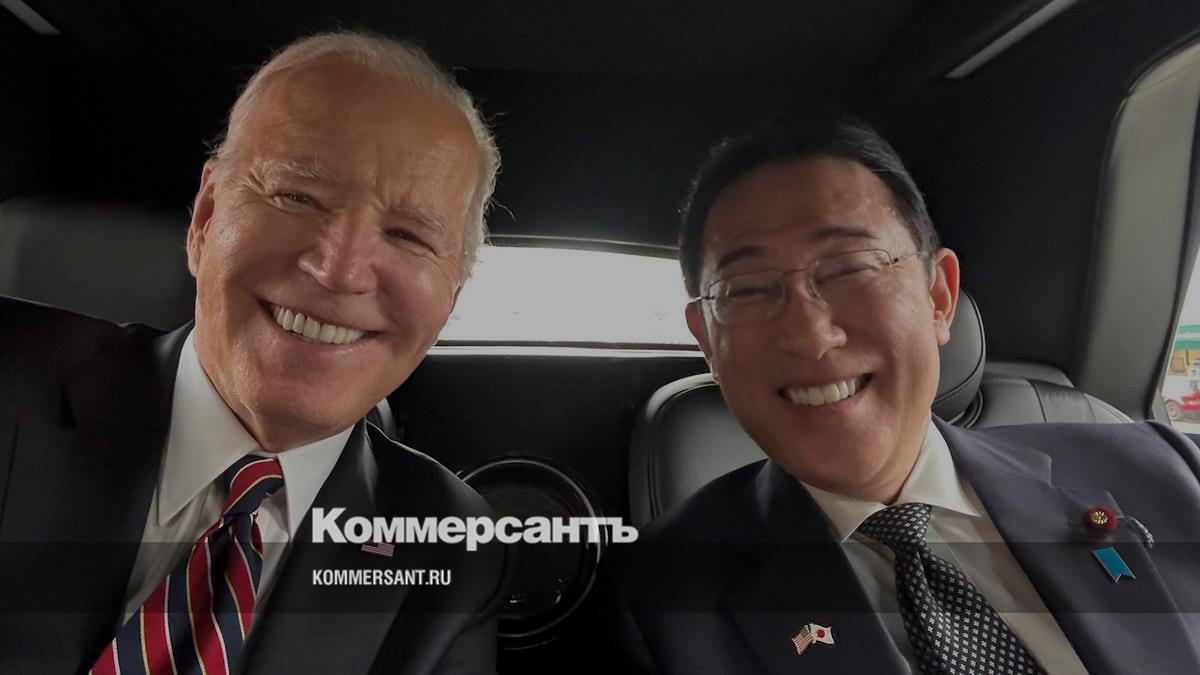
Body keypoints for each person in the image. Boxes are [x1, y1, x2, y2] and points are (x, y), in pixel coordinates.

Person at [617, 114, 1200, 674]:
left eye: (850, 268)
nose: (812, 336)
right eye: (746, 290)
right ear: (707, 341)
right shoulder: (659, 604)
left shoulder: (1161, 471)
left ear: (939, 297)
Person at [0, 32, 506, 674]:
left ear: (451, 298)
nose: (339, 270)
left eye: (408, 235)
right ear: (205, 218)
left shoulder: (452, 549)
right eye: (299, 197)